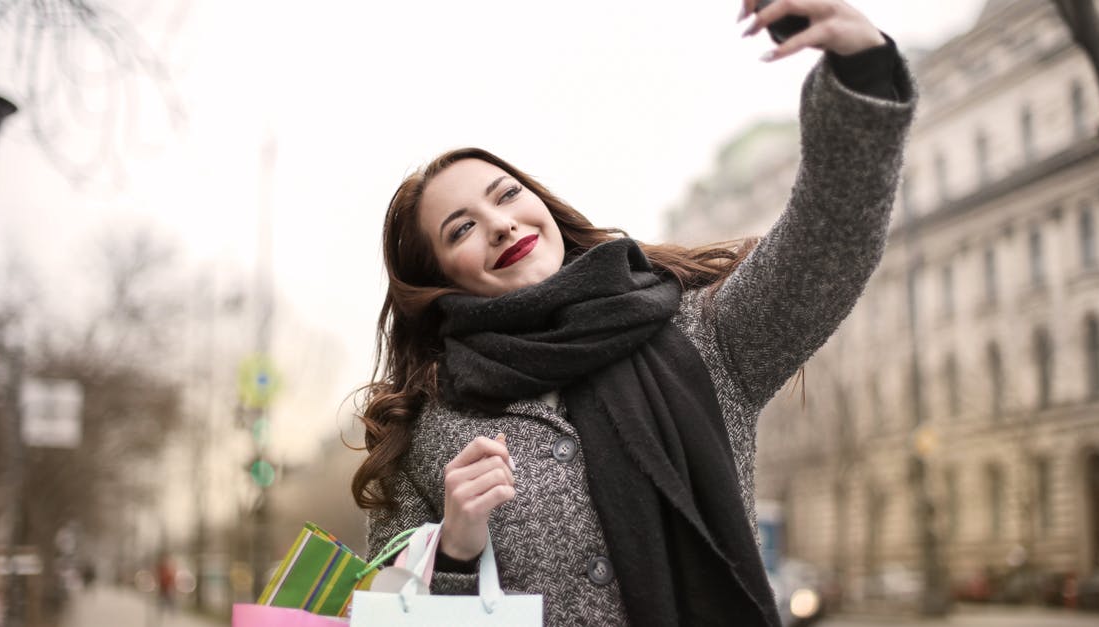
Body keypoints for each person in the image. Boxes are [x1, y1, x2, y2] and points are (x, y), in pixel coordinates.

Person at [351, 1, 916, 624]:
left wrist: (863, 72)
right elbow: (390, 613)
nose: (501, 222)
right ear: (439, 279)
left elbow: (825, 245)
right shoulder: (424, 432)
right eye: (462, 228)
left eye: (507, 194)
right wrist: (456, 555)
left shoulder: (700, 334)